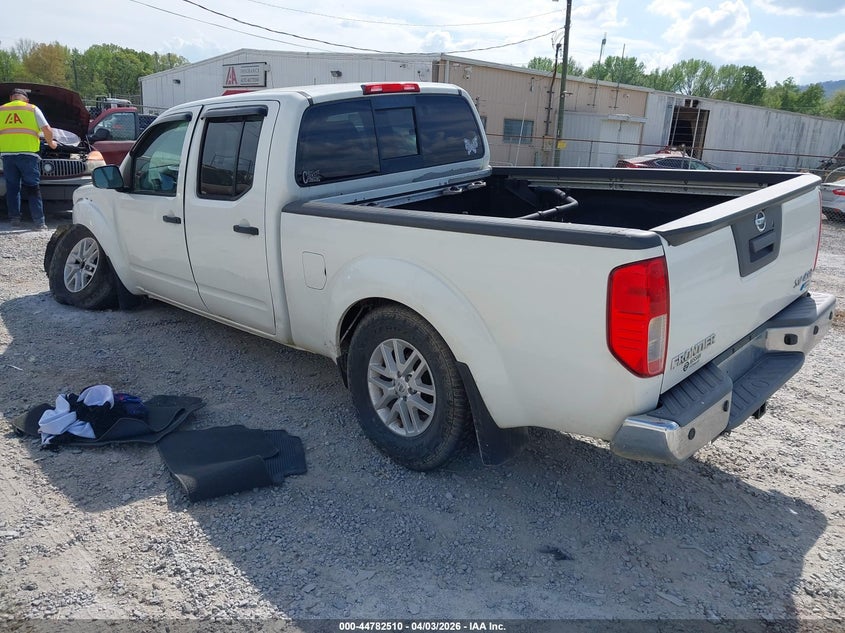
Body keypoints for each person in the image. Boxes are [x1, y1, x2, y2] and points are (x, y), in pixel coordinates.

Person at [0, 88, 57, 230]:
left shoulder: (1, 110)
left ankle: (14, 219)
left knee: (12, 188)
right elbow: (47, 130)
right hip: (28, 156)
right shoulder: (32, 109)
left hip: (7, 156)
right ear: (26, 99)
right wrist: (52, 144)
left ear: (11, 98)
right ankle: (39, 222)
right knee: (33, 188)